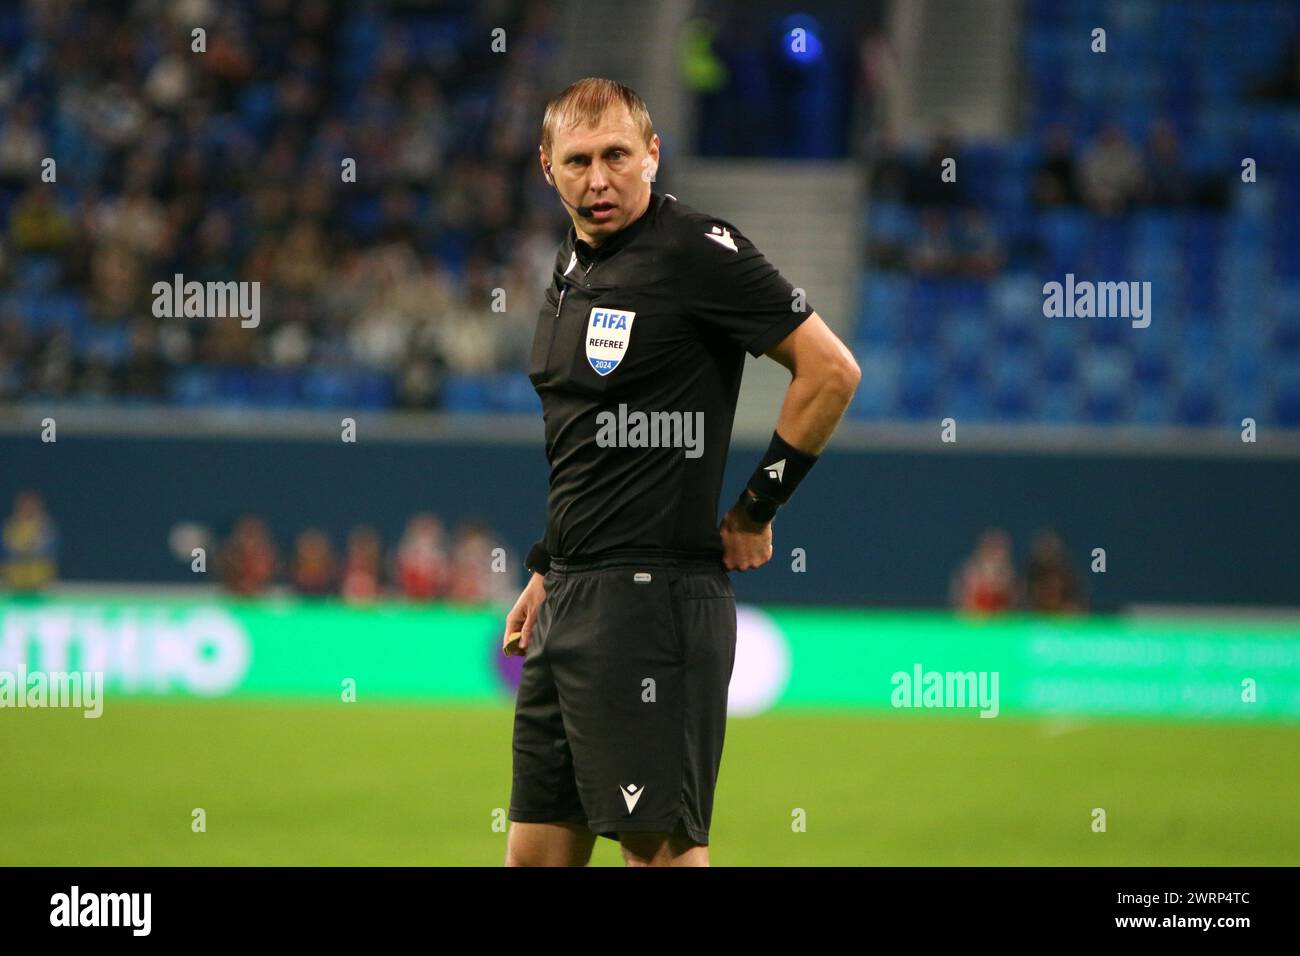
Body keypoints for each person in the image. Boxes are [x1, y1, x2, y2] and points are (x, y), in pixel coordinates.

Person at [502, 78, 860, 867]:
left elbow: (830, 372)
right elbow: (587, 447)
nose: (598, 179)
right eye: (578, 161)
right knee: (534, 855)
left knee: (657, 854)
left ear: (653, 155)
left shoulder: (696, 250)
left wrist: (757, 509)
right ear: (547, 168)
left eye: (617, 156)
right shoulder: (567, 269)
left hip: (652, 602)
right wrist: (549, 566)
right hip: (574, 594)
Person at [1, 490, 59, 593]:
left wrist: (35, 550)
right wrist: (19, 551)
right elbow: (4, 549)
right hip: (13, 581)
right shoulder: (11, 526)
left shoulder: (45, 526)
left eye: (31, 505)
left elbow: (52, 549)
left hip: (40, 582)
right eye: (25, 505)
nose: (28, 508)